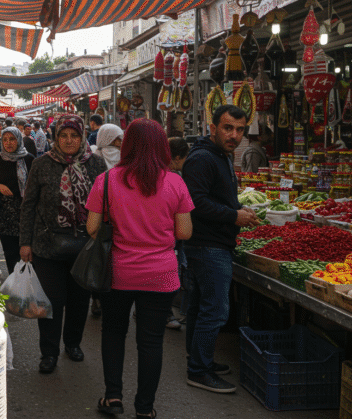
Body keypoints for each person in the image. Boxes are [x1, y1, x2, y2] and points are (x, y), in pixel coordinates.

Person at [85, 118, 193, 419]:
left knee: (114, 333)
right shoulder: (175, 182)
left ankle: (113, 398)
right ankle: (145, 409)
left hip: (118, 271)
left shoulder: (106, 181)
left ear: (127, 144)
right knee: (150, 341)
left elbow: (92, 227)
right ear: (162, 147)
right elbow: (184, 232)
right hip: (161, 273)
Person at [19, 114, 107, 374]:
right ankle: (49, 353)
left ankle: (73, 343)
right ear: (55, 137)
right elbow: (28, 205)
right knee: (50, 302)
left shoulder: (96, 165)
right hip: (47, 245)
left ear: (82, 137)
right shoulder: (42, 164)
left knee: (79, 300)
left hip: (85, 246)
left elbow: (105, 205)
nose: (69, 140)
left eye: (74, 135)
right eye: (63, 135)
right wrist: (26, 242)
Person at [183, 105, 260, 394]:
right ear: (212, 127)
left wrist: (239, 209)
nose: (234, 135)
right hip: (207, 244)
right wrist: (233, 216)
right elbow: (195, 202)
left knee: (199, 307)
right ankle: (199, 371)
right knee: (215, 310)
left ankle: (198, 360)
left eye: (240, 129)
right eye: (228, 128)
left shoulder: (221, 156)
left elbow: (216, 197)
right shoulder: (203, 158)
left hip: (212, 241)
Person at [0, 126, 35, 272]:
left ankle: (28, 284)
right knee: (10, 254)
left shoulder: (29, 160)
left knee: (28, 253)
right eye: (5, 140)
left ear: (18, 140)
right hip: (5, 216)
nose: (8, 143)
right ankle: (15, 282)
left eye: (12, 139)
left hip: (26, 214)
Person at [169, 137, 191, 329]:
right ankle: (167, 313)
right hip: (166, 246)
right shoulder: (175, 181)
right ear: (177, 158)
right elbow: (185, 231)